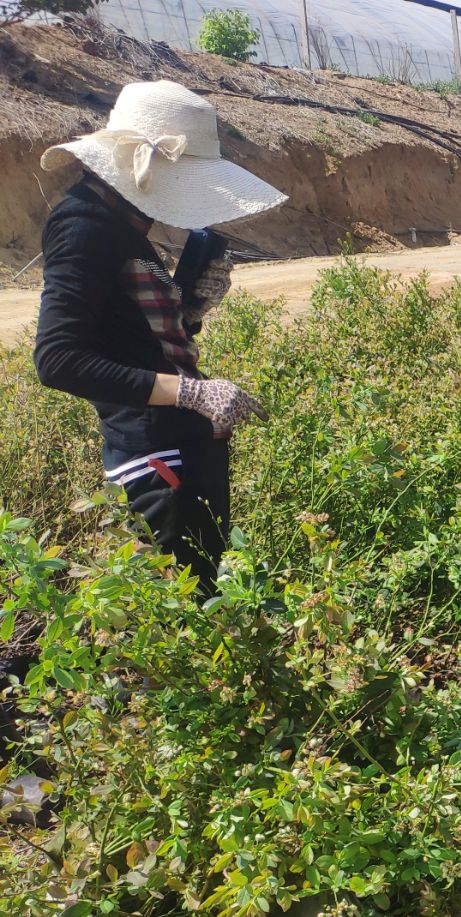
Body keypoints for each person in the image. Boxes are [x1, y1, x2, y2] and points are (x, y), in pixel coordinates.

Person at [33, 80, 286, 590]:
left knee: (200, 599)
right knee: (187, 614)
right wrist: (191, 392)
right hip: (156, 458)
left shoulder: (119, 222)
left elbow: (128, 338)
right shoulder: (86, 227)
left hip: (176, 450)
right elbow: (57, 359)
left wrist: (188, 312)